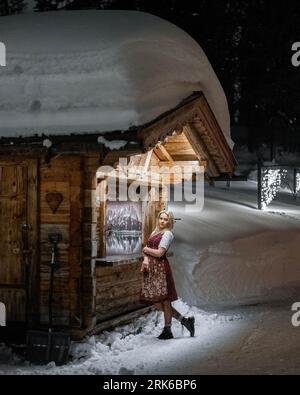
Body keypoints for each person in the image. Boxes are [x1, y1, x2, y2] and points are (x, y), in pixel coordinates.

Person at [140, 210, 195, 340]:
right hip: (152, 270)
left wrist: (147, 250)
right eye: (161, 218)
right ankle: (185, 321)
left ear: (169, 221)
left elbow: (159, 253)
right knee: (158, 304)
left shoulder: (167, 234)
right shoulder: (155, 232)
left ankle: (168, 330)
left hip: (161, 269)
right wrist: (145, 258)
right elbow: (145, 250)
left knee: (165, 300)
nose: (163, 221)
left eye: (166, 219)